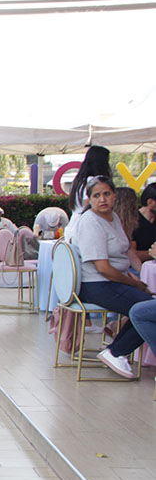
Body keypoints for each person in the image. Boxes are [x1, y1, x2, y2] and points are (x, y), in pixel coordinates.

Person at [69, 176, 151, 379]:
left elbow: (128, 253)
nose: (102, 199)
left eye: (106, 193)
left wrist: (143, 274)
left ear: (114, 196)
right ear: (90, 199)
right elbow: (103, 268)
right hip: (96, 284)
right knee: (147, 310)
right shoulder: (90, 222)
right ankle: (116, 352)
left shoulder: (113, 218)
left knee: (147, 307)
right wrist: (135, 284)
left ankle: (116, 349)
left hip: (113, 281)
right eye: (96, 195)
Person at [68, 145, 112, 216]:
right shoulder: (94, 181)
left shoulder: (77, 181)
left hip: (74, 221)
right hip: (87, 222)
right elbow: (88, 202)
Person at [132, 182, 156, 262]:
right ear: (150, 202)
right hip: (138, 268)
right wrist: (152, 253)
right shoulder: (132, 220)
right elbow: (132, 254)